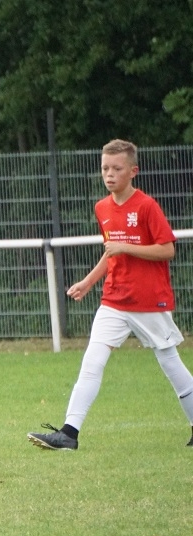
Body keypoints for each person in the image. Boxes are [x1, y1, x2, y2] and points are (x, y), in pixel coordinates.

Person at [28, 139, 193, 451]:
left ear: (133, 172)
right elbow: (111, 253)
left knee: (171, 363)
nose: (109, 174)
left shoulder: (146, 206)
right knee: (92, 360)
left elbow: (167, 249)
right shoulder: (102, 207)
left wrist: (125, 247)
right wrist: (89, 281)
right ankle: (68, 433)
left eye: (117, 168)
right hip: (115, 299)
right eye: (105, 168)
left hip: (148, 301)